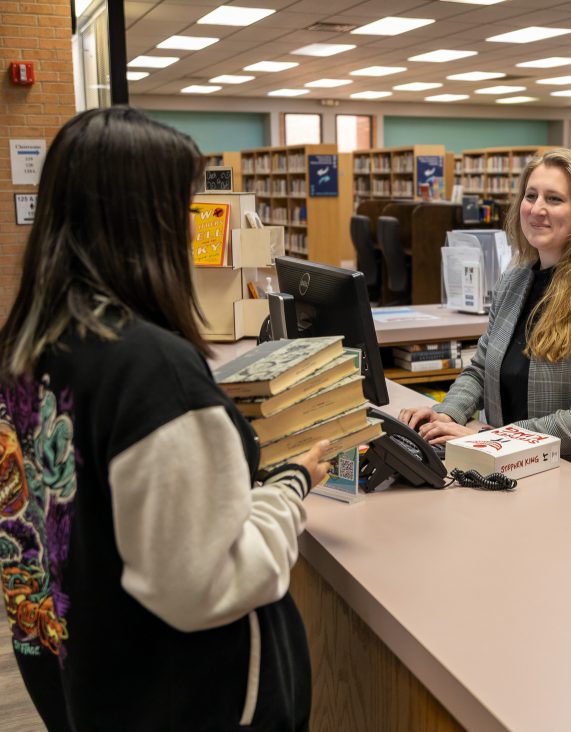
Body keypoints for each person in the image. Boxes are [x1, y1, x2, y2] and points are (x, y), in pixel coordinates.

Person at [0, 107, 330, 730]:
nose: (191, 228)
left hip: (95, 678)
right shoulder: (151, 371)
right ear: (140, 219)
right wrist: (287, 489)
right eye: (183, 207)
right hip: (188, 695)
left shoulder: (30, 347)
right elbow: (205, 584)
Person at [400, 148, 571, 499]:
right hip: (518, 473)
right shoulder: (515, 280)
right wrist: (445, 417)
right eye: (531, 196)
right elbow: (479, 368)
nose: (537, 209)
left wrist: (488, 440)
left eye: (554, 199)